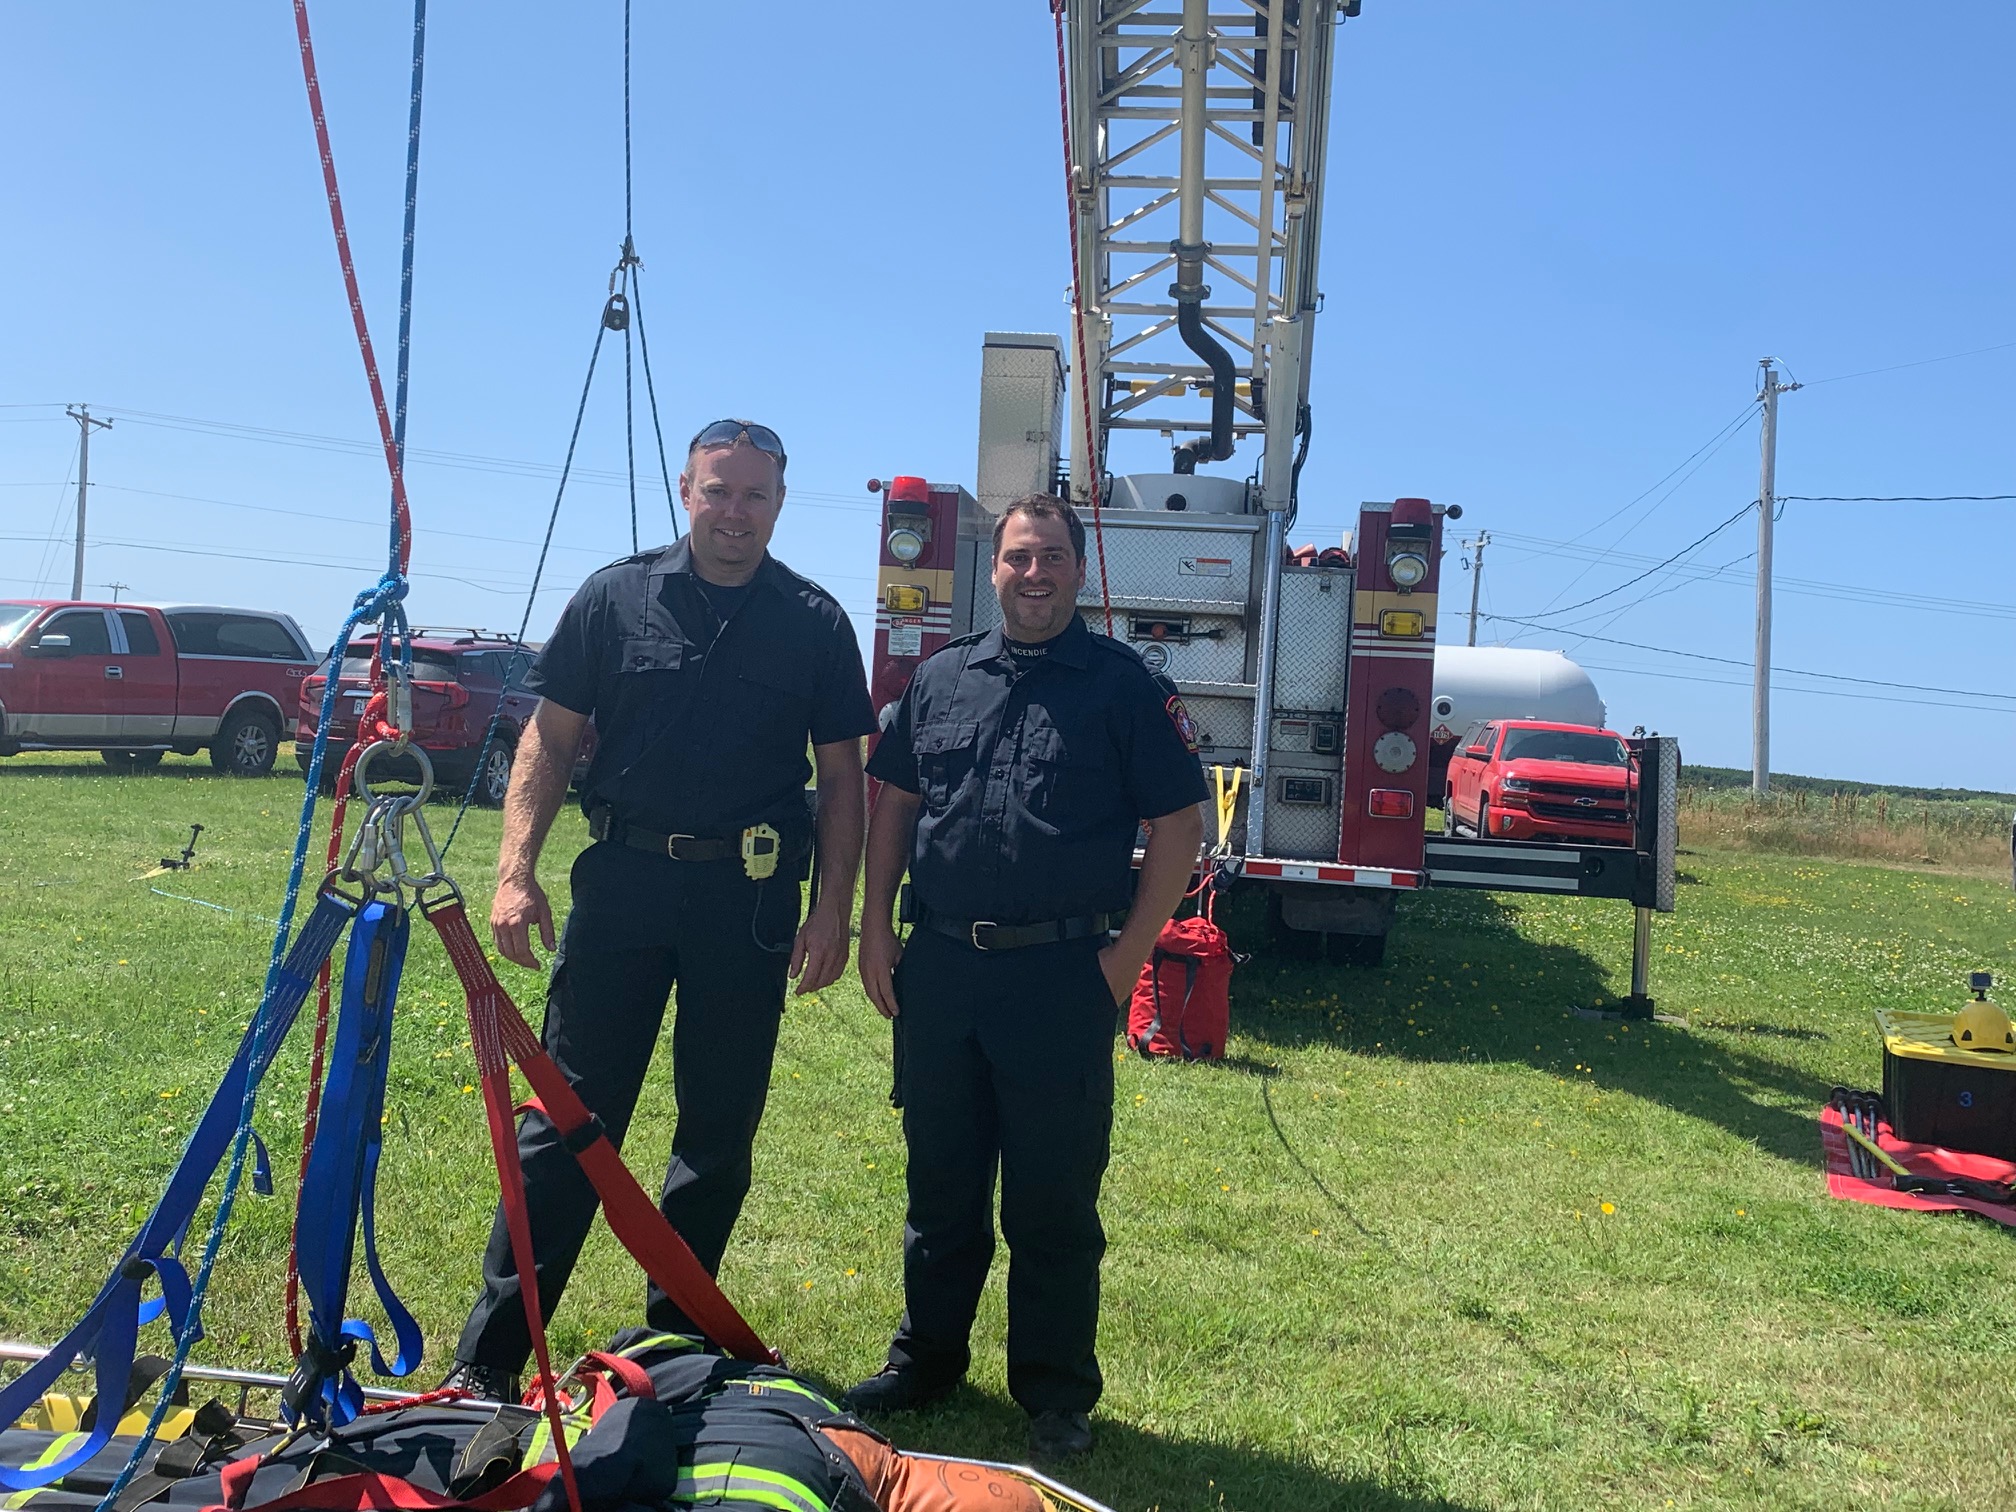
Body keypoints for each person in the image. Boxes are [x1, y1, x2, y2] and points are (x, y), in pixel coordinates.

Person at [445, 420, 877, 1398]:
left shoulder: (814, 621)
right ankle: (492, 1357)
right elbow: (549, 740)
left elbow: (843, 779)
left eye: (755, 495)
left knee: (717, 1132)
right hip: (625, 888)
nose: (735, 513)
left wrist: (832, 910)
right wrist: (515, 871)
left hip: (748, 899)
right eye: (718, 491)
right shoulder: (615, 597)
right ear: (688, 491)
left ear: (780, 502)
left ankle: (675, 1346)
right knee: (567, 1120)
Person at [844, 494, 1209, 1461]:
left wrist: (1125, 961)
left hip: (1060, 976)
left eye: (1051, 557)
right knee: (941, 1185)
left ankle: (1054, 1394)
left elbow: (1180, 827)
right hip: (942, 970)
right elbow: (895, 805)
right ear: (995, 569)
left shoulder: (1123, 688)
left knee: (1053, 1199)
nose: (1034, 574)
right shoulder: (941, 678)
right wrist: (876, 929)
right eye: (1018, 557)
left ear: (1079, 570)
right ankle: (926, 1362)